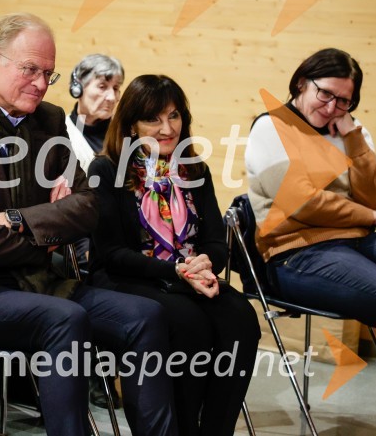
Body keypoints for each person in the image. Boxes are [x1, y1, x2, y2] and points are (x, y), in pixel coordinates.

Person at [0, 13, 177, 436]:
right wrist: (49, 237)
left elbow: (90, 207)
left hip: (37, 281)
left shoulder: (49, 121)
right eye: (30, 69)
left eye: (48, 74)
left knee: (145, 316)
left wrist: (18, 220)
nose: (39, 82)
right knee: (63, 321)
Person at [89, 74, 260, 436]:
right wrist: (177, 270)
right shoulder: (106, 170)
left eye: (174, 116)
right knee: (187, 324)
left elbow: (216, 240)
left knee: (242, 318)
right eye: (153, 119)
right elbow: (111, 253)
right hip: (130, 278)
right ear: (131, 125)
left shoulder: (195, 169)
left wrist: (204, 263)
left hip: (188, 277)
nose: (167, 128)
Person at [245, 48, 376, 327]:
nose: (332, 107)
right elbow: (304, 202)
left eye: (344, 101)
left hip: (358, 241)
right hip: (297, 253)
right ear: (302, 83)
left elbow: (373, 197)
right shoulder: (271, 127)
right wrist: (372, 217)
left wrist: (352, 136)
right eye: (326, 94)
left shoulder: (352, 130)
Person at [66, 53, 124, 173]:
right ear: (78, 89)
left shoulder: (124, 134)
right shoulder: (60, 132)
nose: (112, 97)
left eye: (115, 88)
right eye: (102, 87)